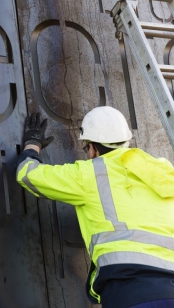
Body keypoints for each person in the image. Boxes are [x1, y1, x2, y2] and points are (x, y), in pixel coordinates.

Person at [16, 107, 174, 308]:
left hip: (131, 289)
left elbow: (27, 173)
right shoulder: (161, 169)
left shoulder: (90, 173)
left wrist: (32, 144)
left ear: (92, 148)